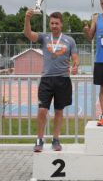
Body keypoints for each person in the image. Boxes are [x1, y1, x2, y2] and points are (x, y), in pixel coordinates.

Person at [24, 10, 79, 152]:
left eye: (57, 23)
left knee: (59, 111)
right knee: (42, 110)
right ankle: (39, 139)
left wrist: (75, 65)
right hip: (46, 80)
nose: (54, 26)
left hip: (63, 80)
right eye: (52, 23)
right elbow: (28, 34)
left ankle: (56, 139)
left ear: (61, 24)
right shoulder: (44, 38)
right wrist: (27, 18)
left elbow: (75, 57)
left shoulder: (69, 40)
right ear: (49, 24)